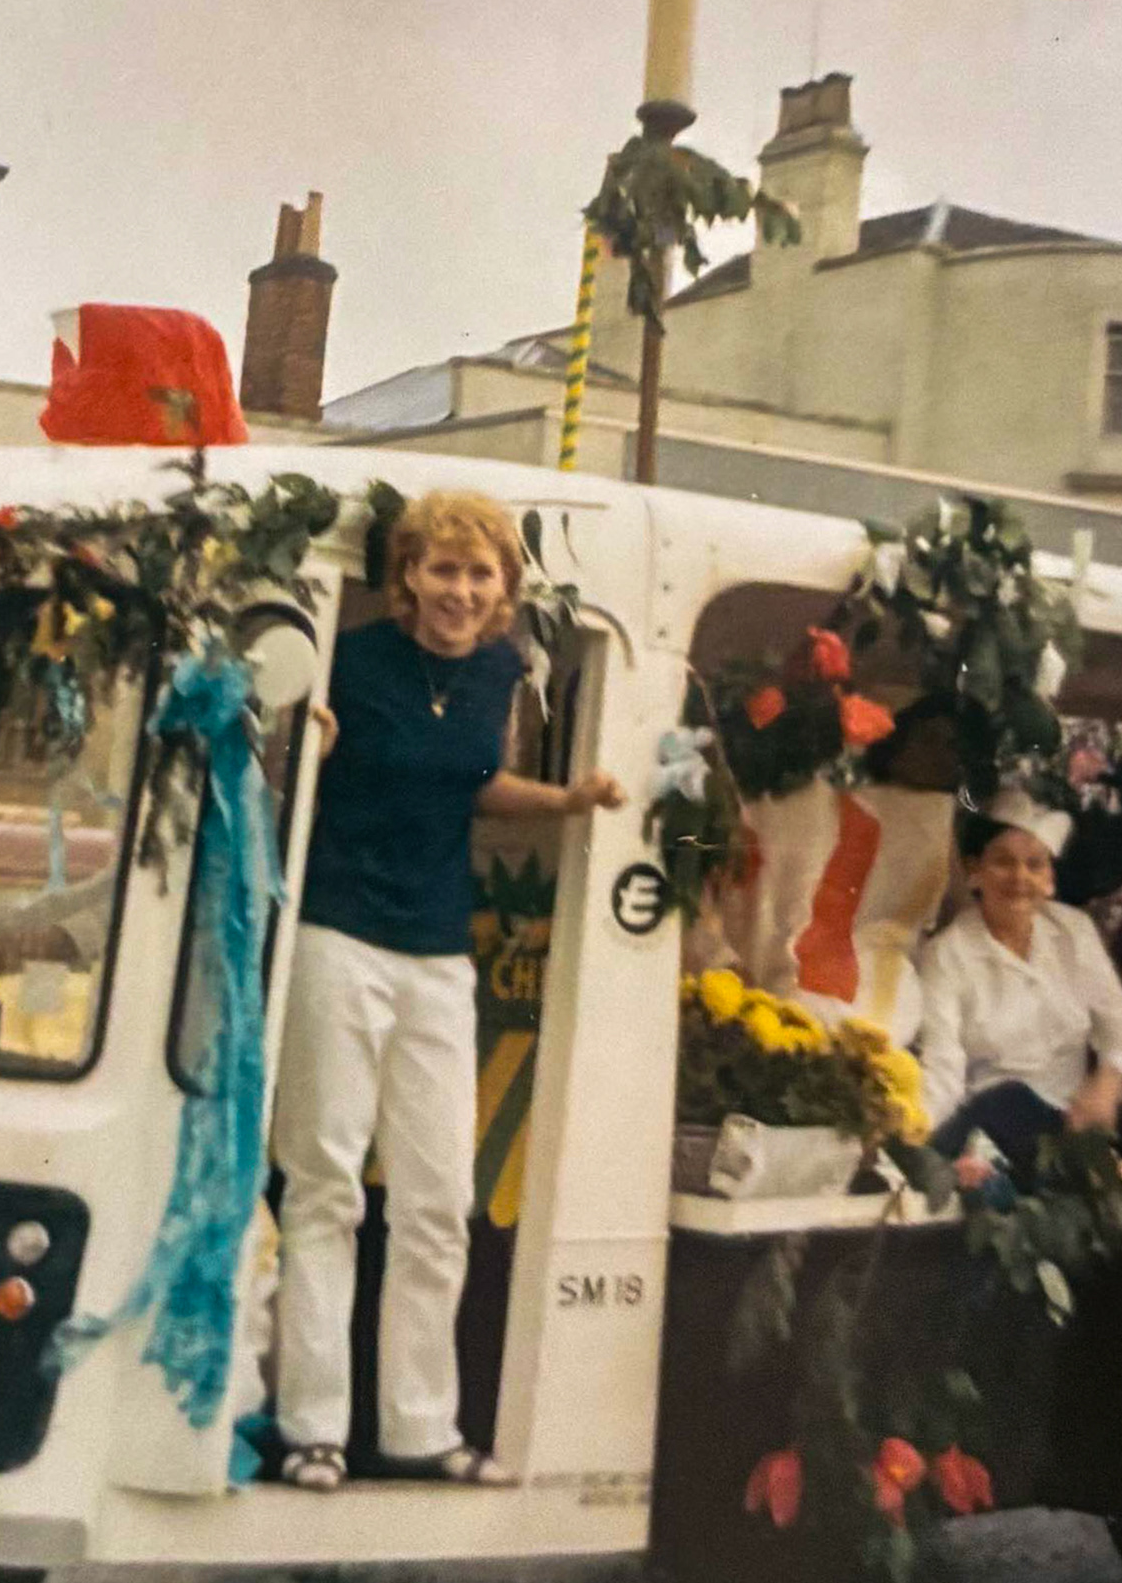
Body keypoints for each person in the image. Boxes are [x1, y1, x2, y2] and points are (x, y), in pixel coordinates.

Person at [271, 490, 625, 1491]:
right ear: (409, 577)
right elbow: (307, 754)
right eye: (443, 570)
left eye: (480, 575)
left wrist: (564, 800)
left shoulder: (503, 669)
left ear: (504, 590)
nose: (461, 591)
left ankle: (421, 1425)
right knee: (326, 1182)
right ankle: (313, 1425)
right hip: (338, 933)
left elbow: (469, 780)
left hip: (436, 952)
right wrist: (316, 740)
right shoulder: (354, 657)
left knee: (438, 1197)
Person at [917, 789, 1122, 1181]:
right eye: (1003, 862)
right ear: (975, 871)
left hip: (1072, 1131)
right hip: (986, 1132)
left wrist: (1108, 1082)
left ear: (1049, 879)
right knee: (1008, 1098)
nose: (1019, 877)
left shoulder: (1073, 931)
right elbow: (943, 1070)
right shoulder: (947, 954)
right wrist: (913, 1134)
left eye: (1034, 864)